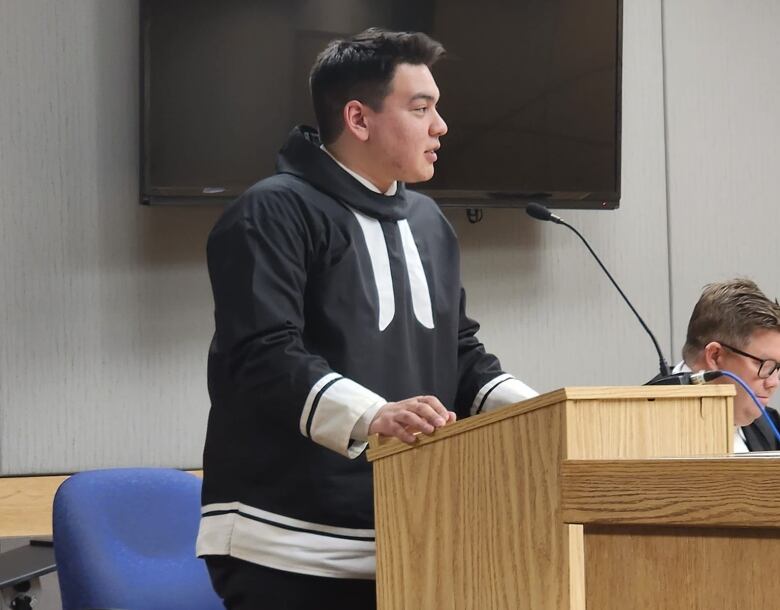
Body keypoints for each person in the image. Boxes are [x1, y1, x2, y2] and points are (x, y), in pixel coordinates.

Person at [195, 28, 537, 609]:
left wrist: (546, 413)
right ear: (358, 118)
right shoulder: (270, 211)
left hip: (411, 534)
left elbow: (460, 356)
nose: (441, 126)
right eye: (421, 108)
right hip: (287, 544)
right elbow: (263, 355)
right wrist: (376, 413)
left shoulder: (430, 223)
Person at [673, 278, 780, 452]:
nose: (774, 382)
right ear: (715, 356)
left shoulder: (769, 425)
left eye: (777, 368)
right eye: (764, 365)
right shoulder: (637, 425)